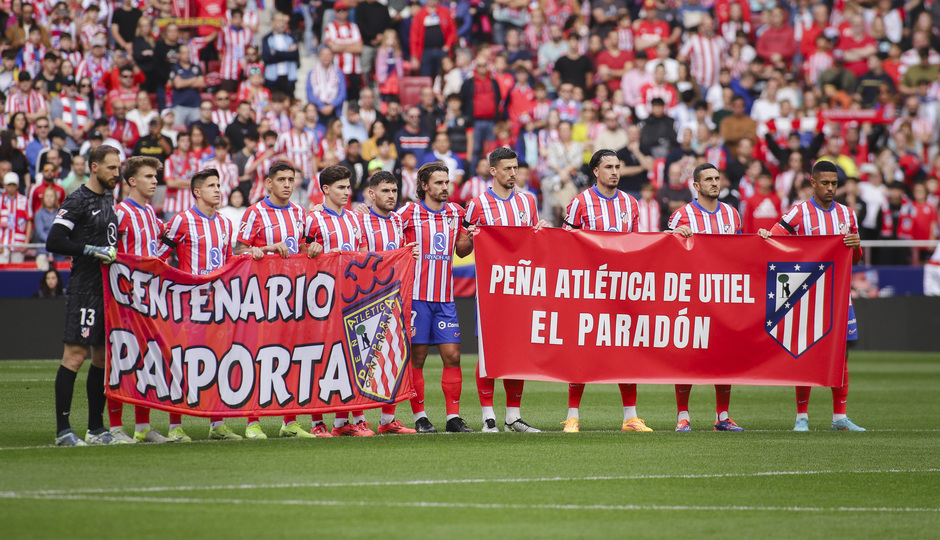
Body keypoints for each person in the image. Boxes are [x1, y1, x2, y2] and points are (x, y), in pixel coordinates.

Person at [758, 160, 866, 432]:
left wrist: (857, 246)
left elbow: (854, 258)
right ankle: (801, 417)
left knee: (841, 356)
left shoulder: (847, 214)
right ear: (813, 183)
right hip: (808, 296)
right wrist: (764, 235)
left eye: (835, 184)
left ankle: (839, 417)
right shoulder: (798, 212)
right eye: (825, 183)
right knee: (804, 354)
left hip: (840, 296)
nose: (831, 188)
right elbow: (775, 241)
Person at [561, 149, 652, 434]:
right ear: (595, 172)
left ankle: (630, 417)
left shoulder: (630, 203)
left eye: (617, 166)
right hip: (590, 289)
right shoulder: (580, 202)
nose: (615, 171)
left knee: (627, 351)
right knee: (583, 352)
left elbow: (637, 243)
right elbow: (564, 243)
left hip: (623, 289)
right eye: (609, 167)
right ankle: (572, 416)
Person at [234, 162, 319, 439]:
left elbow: (303, 247)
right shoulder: (254, 211)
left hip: (294, 296)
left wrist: (314, 248)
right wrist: (263, 250)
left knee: (292, 357)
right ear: (268, 183)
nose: (286, 184)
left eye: (290, 179)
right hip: (261, 296)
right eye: (280, 179)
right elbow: (239, 252)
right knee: (261, 358)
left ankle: (289, 421)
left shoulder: (298, 213)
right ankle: (252, 422)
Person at [45, 145, 122, 446]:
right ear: (94, 167)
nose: (117, 173)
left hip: (106, 289)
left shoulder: (108, 198)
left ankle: (96, 428)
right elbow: (54, 240)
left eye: (118, 168)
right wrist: (90, 250)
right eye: (111, 168)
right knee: (76, 356)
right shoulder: (77, 200)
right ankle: (63, 430)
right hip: (85, 288)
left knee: (102, 358)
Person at [464, 147, 546, 433]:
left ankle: (513, 416)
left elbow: (535, 242)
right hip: (489, 290)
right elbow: (461, 248)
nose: (514, 173)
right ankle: (488, 417)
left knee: (517, 353)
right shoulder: (477, 205)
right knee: (488, 354)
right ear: (493, 171)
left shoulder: (528, 202)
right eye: (508, 169)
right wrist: (471, 236)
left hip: (522, 287)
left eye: (515, 168)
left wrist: (542, 232)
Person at [156, 169, 241, 440]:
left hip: (219, 304)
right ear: (197, 192)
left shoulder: (226, 224)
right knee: (182, 363)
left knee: (219, 363)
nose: (218, 189)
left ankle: (218, 425)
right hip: (188, 305)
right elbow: (161, 258)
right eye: (212, 185)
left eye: (219, 184)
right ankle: (174, 426)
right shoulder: (182, 221)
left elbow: (228, 263)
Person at [397, 162, 475, 433]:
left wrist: (473, 237)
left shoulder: (456, 213)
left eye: (447, 182)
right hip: (416, 298)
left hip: (445, 299)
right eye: (439, 183)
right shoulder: (408, 213)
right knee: (417, 358)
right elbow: (387, 235)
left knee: (453, 356)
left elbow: (463, 251)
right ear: (424, 186)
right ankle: (420, 417)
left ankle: (453, 418)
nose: (445, 187)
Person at [667, 163, 745, 432]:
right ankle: (682, 415)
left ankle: (722, 417)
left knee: (725, 357)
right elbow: (665, 250)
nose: (715, 182)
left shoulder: (732, 215)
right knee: (688, 356)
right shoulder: (681, 215)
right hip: (692, 297)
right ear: (696, 186)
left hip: (723, 297)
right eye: (708, 179)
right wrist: (674, 235)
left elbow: (739, 253)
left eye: (717, 178)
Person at [108, 156, 175, 443]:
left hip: (149, 298)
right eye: (149, 176)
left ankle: (143, 426)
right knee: (120, 360)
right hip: (121, 300)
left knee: (146, 359)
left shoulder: (150, 214)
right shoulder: (120, 213)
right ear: (132, 181)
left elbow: (158, 250)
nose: (155, 181)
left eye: (156, 177)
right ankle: (114, 427)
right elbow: (108, 252)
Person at [304, 164, 374, 436]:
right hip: (320, 301)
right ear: (325, 189)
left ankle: (345, 422)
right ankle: (316, 422)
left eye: (348, 187)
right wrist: (310, 250)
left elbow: (363, 255)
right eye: (341, 187)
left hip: (350, 299)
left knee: (351, 359)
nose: (347, 192)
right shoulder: (313, 219)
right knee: (320, 361)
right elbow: (298, 257)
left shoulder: (355, 219)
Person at [356, 170, 418, 434]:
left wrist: (409, 252)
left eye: (394, 191)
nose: (391, 196)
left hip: (392, 298)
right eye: (385, 191)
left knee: (393, 358)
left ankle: (386, 420)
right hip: (363, 299)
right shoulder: (357, 220)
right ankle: (354, 419)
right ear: (371, 194)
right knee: (357, 361)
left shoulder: (397, 220)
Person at [0, 171, 29, 264]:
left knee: (17, 272)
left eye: (13, 184)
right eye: (9, 184)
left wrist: (26, 242)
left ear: (18, 185)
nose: (11, 187)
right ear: (4, 185)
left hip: (19, 243)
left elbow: (29, 221)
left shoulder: (24, 200)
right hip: (2, 243)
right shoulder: (0, 200)